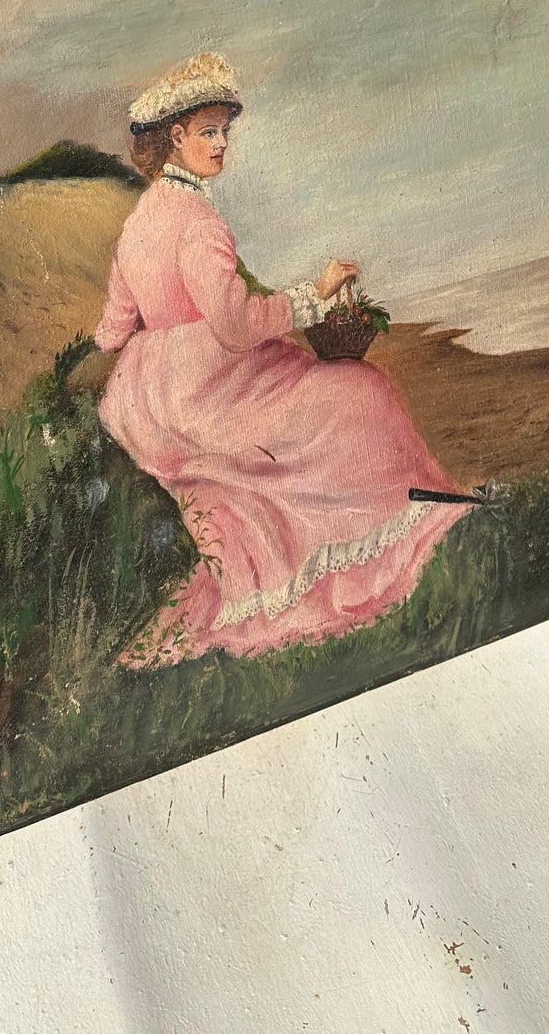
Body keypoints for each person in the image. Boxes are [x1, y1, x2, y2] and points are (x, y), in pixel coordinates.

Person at [94, 51, 468, 667]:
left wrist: (110, 358)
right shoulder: (198, 223)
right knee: (360, 395)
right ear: (174, 138)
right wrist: (312, 297)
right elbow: (237, 325)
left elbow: (114, 327)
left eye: (225, 132)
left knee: (312, 419)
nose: (220, 145)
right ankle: (376, 545)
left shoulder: (136, 225)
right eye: (208, 133)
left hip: (157, 394)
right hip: (213, 385)